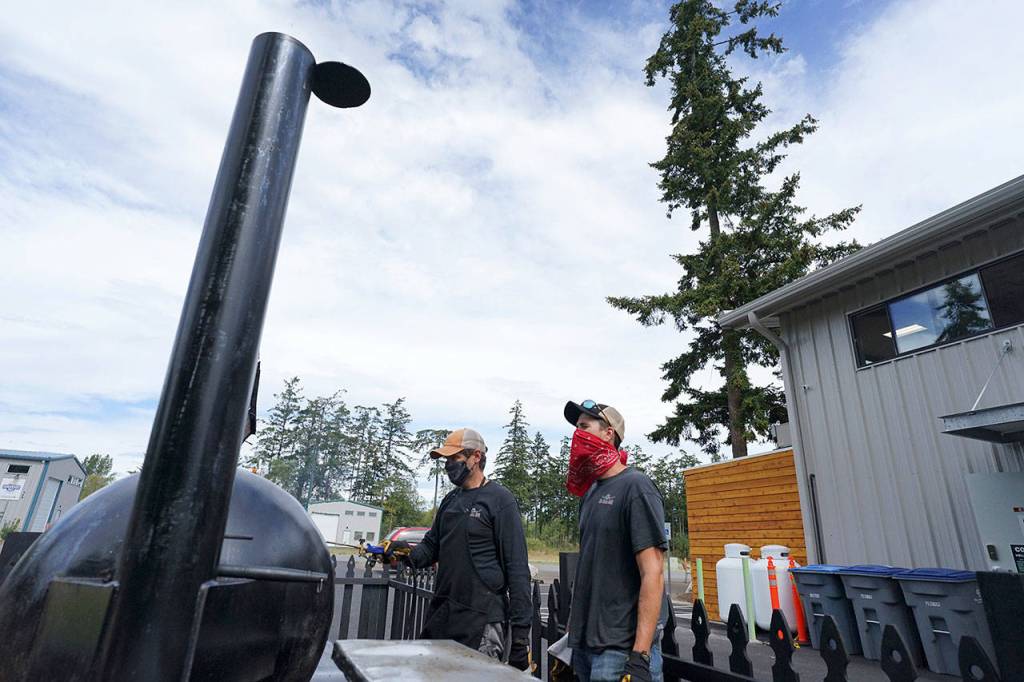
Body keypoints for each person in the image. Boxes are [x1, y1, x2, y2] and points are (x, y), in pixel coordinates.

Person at [385, 427, 533, 670]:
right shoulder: (450, 500)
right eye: (446, 460)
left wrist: (520, 638)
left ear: (476, 457)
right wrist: (404, 553)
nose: (448, 465)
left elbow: (517, 568)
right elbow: (431, 547)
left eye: (455, 458)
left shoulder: (500, 500)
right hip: (444, 613)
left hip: (482, 617)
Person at [563, 399, 667, 682]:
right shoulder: (590, 492)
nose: (577, 435)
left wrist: (640, 655)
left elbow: (653, 571)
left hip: (620, 652)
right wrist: (571, 641)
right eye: (576, 429)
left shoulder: (636, 487)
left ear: (608, 433)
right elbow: (591, 569)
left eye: (584, 427)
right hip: (586, 647)